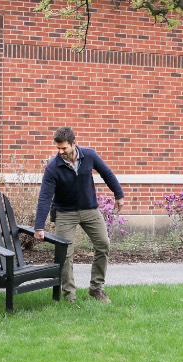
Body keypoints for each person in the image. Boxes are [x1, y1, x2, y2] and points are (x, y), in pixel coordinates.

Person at [33, 127, 125, 303]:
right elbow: (45, 197)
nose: (60, 152)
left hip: (90, 209)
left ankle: (96, 288)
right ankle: (70, 296)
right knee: (65, 253)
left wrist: (119, 194)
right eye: (58, 149)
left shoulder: (89, 155)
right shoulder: (53, 167)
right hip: (65, 213)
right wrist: (39, 226)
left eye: (64, 148)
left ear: (74, 143)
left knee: (103, 244)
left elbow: (107, 173)